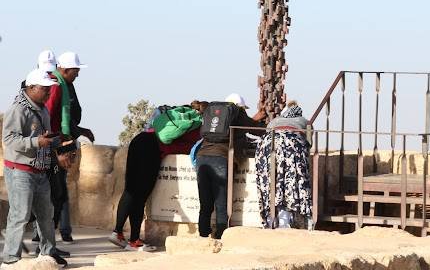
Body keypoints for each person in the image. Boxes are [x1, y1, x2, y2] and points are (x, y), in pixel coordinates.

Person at [109, 105, 202, 251]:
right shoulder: (198, 129)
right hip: (151, 149)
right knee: (140, 196)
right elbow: (190, 148)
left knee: (130, 190)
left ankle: (118, 233)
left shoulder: (183, 119)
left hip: (140, 139)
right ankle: (134, 241)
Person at [1, 69, 67, 268]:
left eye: (49, 89)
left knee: (46, 215)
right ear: (31, 88)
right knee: (19, 215)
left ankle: (48, 253)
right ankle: (11, 258)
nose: (48, 93)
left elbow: (44, 137)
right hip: (20, 171)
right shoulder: (18, 110)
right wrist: (36, 142)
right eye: (45, 89)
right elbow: (9, 139)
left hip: (40, 171)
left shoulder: (43, 109)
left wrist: (60, 144)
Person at [196, 94, 265, 240]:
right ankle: (221, 237)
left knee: (205, 203)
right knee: (222, 203)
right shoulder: (238, 113)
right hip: (221, 159)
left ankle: (203, 236)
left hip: (202, 158)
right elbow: (257, 129)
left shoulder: (213, 112)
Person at [45, 51, 94, 243]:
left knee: (59, 190)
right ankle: (46, 238)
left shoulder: (66, 85)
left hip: (62, 140)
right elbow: (48, 118)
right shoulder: (56, 86)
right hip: (55, 143)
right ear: (64, 69)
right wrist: (61, 145)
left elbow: (67, 117)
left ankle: (55, 235)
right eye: (76, 70)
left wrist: (79, 131)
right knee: (54, 191)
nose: (78, 74)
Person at [255, 101, 313, 229]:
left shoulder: (274, 121)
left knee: (269, 183)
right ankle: (285, 221)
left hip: (268, 146)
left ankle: (270, 219)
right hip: (291, 145)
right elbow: (308, 144)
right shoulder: (305, 122)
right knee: (291, 184)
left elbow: (268, 133)